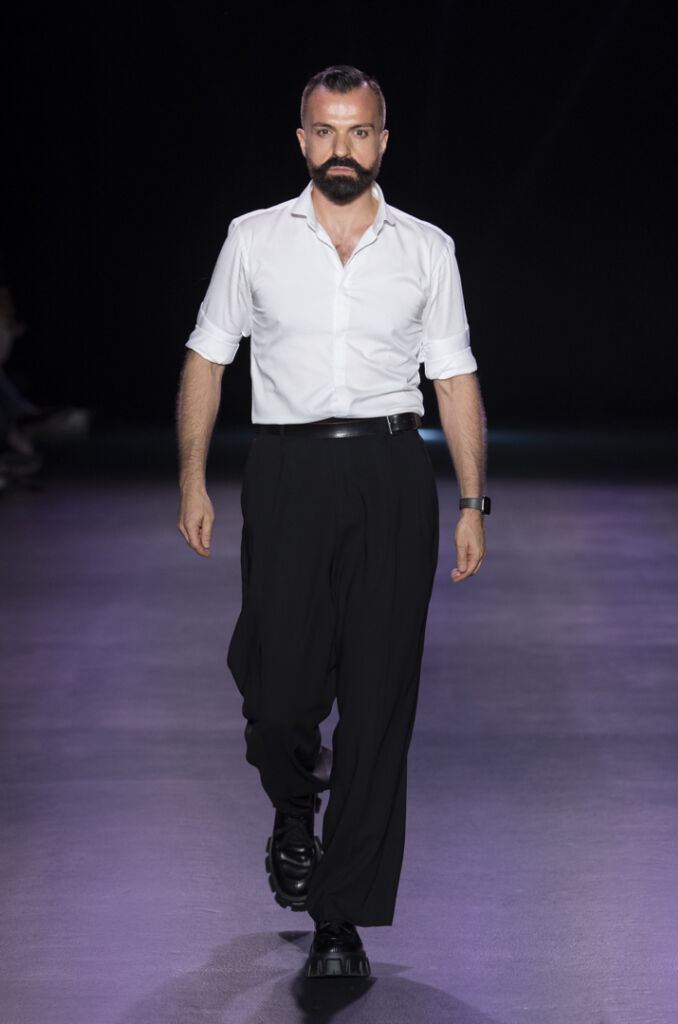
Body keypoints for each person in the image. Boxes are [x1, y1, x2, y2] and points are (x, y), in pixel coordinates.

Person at [177, 65, 490, 979]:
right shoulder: (253, 239)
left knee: (379, 699)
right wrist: (191, 478)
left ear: (381, 141)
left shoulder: (426, 248)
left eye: (358, 132)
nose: (340, 148)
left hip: (391, 471)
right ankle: (292, 800)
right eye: (325, 131)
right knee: (279, 695)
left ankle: (339, 920)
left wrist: (472, 501)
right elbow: (207, 357)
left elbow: (453, 375)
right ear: (302, 139)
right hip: (287, 472)